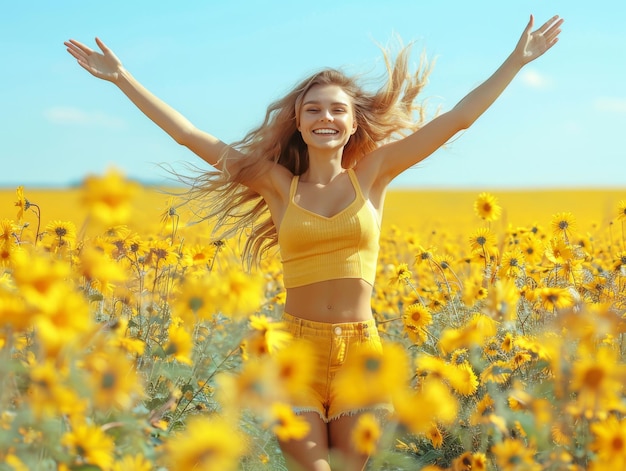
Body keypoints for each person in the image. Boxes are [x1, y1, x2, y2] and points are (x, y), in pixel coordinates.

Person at [65, 13, 563, 471]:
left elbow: (456, 119)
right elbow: (190, 136)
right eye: (314, 109)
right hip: (295, 351)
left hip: (361, 352)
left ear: (352, 122)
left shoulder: (374, 174)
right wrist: (121, 77)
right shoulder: (277, 185)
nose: (326, 117)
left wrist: (516, 61)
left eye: (337, 110)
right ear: (299, 123)